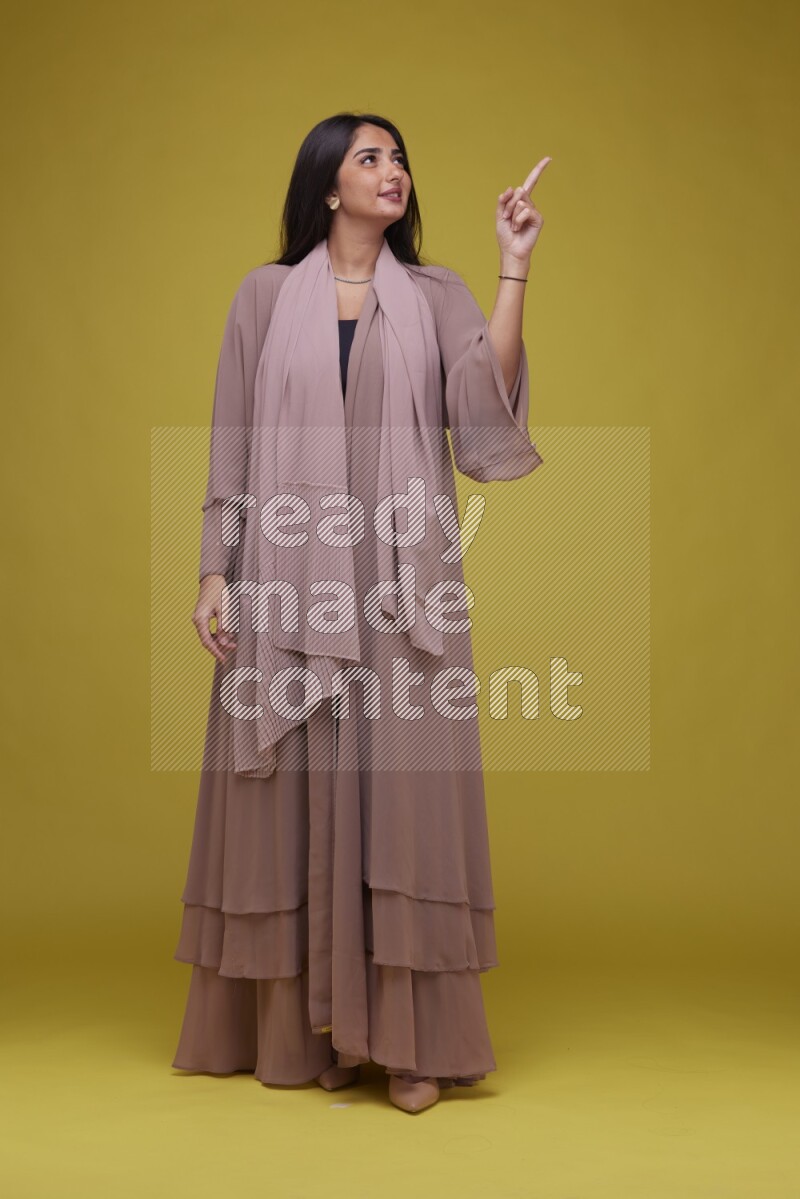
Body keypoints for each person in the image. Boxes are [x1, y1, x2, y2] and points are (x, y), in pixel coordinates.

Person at [171, 111, 550, 1114]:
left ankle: (409, 1042)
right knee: (291, 794)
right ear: (327, 186)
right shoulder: (262, 297)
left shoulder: (434, 295)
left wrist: (513, 267)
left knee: (403, 806)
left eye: (398, 157)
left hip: (398, 588)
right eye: (368, 158)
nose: (393, 171)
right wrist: (216, 570)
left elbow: (481, 415)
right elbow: (231, 441)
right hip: (286, 582)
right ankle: (313, 1034)